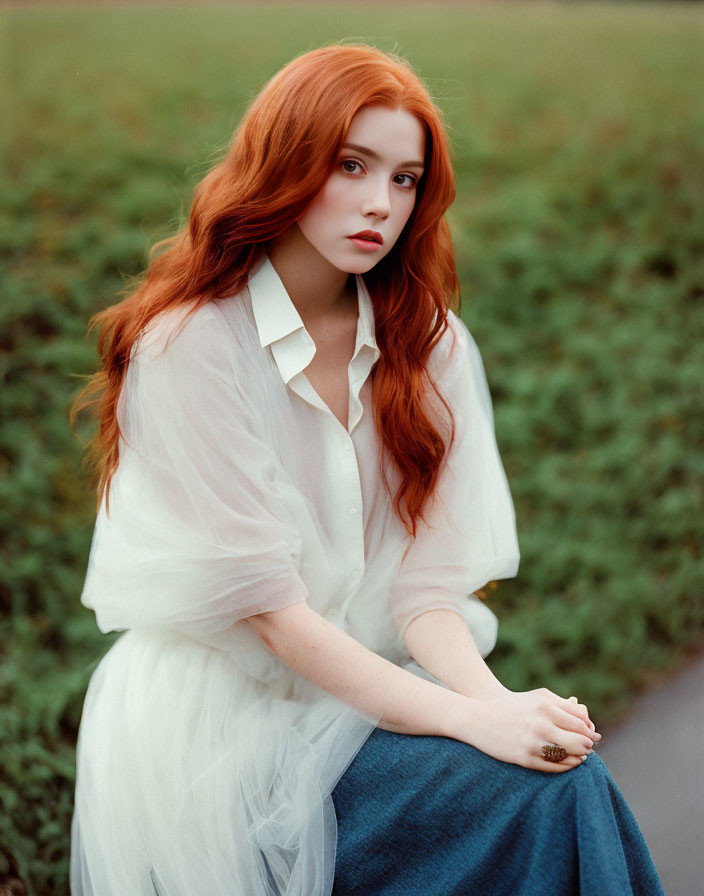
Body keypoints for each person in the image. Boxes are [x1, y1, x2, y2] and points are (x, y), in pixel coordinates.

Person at [69, 43, 663, 895]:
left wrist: (495, 707)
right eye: (352, 165)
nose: (379, 204)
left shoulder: (431, 344)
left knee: (561, 785)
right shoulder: (192, 346)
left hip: (368, 693)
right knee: (546, 800)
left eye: (405, 179)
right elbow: (275, 618)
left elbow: (426, 591)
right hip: (230, 725)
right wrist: (469, 721)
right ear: (287, 161)